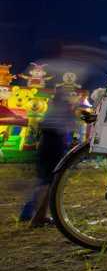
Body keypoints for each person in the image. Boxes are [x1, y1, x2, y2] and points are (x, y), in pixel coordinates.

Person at [19, 87, 78, 226]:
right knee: (50, 183)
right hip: (55, 145)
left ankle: (28, 213)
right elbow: (70, 125)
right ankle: (38, 218)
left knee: (42, 181)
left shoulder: (51, 107)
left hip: (45, 145)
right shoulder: (64, 108)